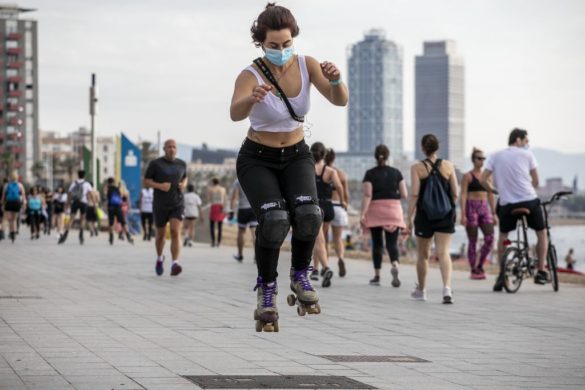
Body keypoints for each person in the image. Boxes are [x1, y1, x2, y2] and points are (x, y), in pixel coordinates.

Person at [230, 3, 348, 331]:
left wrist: (336, 80)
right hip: (257, 158)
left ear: (293, 38)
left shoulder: (308, 65)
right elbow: (235, 113)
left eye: (286, 44)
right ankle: (266, 290)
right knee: (274, 220)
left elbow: (340, 100)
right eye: (273, 45)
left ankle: (300, 275)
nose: (281, 50)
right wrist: (251, 98)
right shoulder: (249, 74)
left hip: (296, 154)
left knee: (311, 214)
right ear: (261, 43)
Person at [480, 128, 549, 290]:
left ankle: (501, 274)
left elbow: (483, 180)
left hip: (507, 204)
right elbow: (536, 181)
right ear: (518, 140)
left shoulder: (495, 155)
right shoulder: (528, 154)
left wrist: (494, 191)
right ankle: (540, 270)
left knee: (503, 236)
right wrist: (526, 189)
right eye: (526, 141)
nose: (527, 144)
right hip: (529, 202)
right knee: (542, 232)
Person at [407, 134, 458, 304]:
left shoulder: (416, 168)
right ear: (438, 147)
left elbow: (414, 194)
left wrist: (409, 217)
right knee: (444, 252)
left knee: (423, 255)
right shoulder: (449, 166)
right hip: (445, 215)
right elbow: (455, 193)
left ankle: (422, 290)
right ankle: (447, 289)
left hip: (424, 215)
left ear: (422, 147)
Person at [361, 144, 408, 287]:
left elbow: (368, 194)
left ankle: (377, 276)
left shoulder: (370, 173)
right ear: (388, 156)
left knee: (377, 244)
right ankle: (395, 264)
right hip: (393, 209)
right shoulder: (396, 172)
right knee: (392, 244)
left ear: (375, 157)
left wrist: (363, 213)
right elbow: (404, 194)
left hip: (376, 210)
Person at [144, 139, 187, 277]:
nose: (172, 149)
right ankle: (159, 258)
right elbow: (146, 181)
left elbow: (185, 177)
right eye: (169, 147)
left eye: (174, 147)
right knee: (161, 235)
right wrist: (160, 186)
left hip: (177, 203)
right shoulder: (156, 164)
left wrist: (183, 184)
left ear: (177, 149)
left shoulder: (182, 164)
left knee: (175, 231)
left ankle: (175, 263)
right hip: (160, 204)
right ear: (164, 149)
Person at [310, 142, 345, 287]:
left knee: (318, 241)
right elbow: (339, 186)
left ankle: (318, 269)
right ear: (324, 155)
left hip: (315, 206)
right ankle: (318, 269)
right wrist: (343, 201)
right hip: (328, 206)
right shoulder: (330, 171)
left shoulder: (308, 168)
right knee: (322, 240)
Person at [460, 148, 497, 280]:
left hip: (484, 208)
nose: (482, 161)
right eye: (479, 158)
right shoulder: (467, 176)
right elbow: (463, 195)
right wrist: (463, 214)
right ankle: (473, 269)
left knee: (490, 238)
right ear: (473, 160)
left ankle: (480, 264)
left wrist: (494, 213)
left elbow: (491, 195)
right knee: (473, 240)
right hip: (471, 207)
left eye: (483, 158)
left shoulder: (487, 176)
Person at [324, 148, 350, 278]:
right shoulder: (341, 174)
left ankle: (326, 264)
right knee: (337, 238)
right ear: (334, 159)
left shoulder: (322, 172)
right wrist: (345, 205)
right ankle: (340, 257)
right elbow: (346, 194)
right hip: (339, 206)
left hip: (326, 206)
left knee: (324, 239)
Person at [59, 170, 93, 245]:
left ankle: (65, 234)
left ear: (78, 175)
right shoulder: (87, 184)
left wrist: (67, 203)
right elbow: (90, 193)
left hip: (75, 202)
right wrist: (92, 202)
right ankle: (81, 235)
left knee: (71, 219)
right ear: (84, 176)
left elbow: (69, 193)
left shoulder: (74, 183)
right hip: (83, 202)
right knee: (82, 219)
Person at [230, 178, 257, 262]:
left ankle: (240, 255)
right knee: (255, 233)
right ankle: (257, 256)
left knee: (241, 232)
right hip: (254, 209)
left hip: (243, 209)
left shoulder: (238, 180)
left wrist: (231, 211)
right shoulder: (255, 178)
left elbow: (234, 197)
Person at [104, 178, 134, 245]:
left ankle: (111, 237)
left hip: (111, 207)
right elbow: (120, 197)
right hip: (118, 207)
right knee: (123, 222)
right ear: (113, 182)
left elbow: (106, 197)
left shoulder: (107, 188)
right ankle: (128, 235)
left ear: (108, 182)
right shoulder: (117, 188)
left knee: (111, 223)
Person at [1, 171, 26, 243]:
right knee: (14, 219)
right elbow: (24, 197)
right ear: (17, 177)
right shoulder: (20, 185)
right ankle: (13, 234)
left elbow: (3, 197)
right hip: (17, 202)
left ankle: (2, 232)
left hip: (9, 202)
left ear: (10, 177)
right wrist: (24, 204)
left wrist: (2, 204)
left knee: (5, 218)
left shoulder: (6, 185)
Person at [207, 178, 226, 247]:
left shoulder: (210, 189)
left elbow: (209, 199)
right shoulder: (223, 189)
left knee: (212, 225)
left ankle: (213, 242)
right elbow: (224, 200)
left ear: (213, 182)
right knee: (220, 226)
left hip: (214, 206)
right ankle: (219, 242)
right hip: (221, 206)